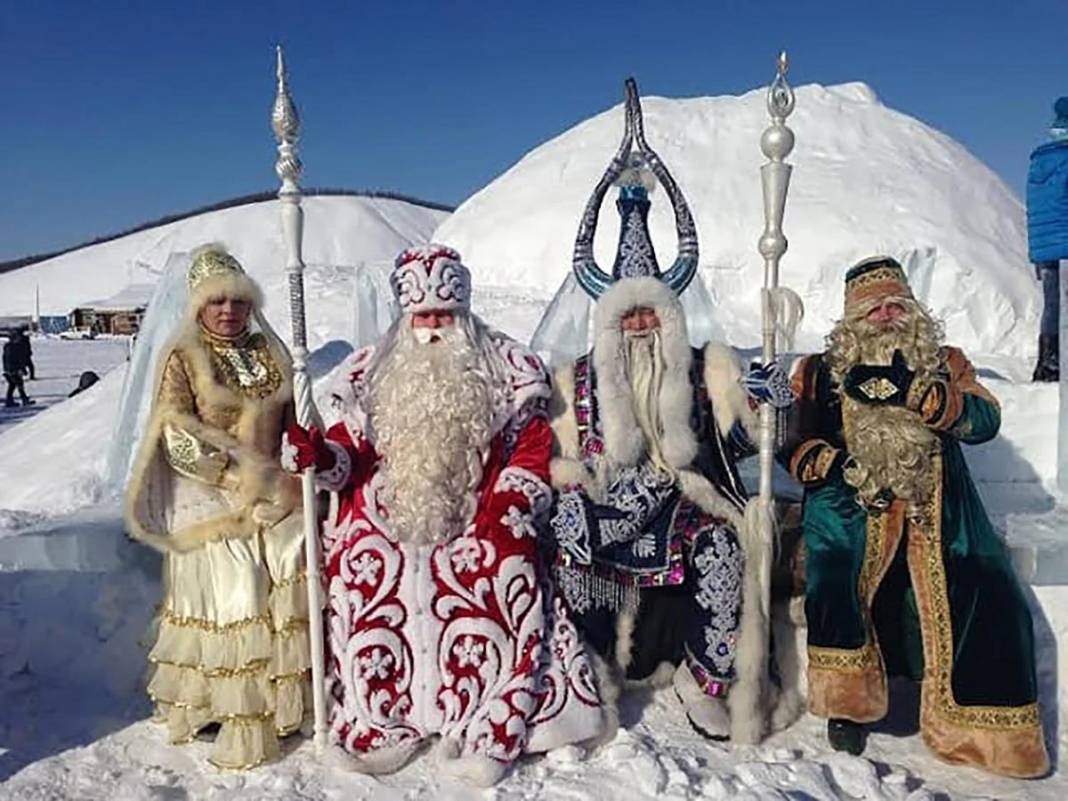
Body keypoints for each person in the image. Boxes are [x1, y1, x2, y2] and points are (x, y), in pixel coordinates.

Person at [283, 244, 604, 786]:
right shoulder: (369, 371)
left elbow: (530, 447)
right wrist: (320, 456)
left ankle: (483, 716)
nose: (433, 328)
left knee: (502, 566)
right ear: (406, 316)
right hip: (389, 511)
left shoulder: (506, 368)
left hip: (478, 505)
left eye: (444, 316)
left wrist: (511, 503)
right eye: (423, 316)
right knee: (361, 565)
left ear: (463, 312)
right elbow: (348, 457)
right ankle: (383, 716)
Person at [538, 79, 790, 747]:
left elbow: (739, 442)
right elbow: (559, 456)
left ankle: (707, 682)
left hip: (681, 498)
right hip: (605, 500)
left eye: (650, 313)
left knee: (721, 547)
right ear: (609, 321)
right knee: (565, 542)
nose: (640, 325)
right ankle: (586, 673)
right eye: (628, 316)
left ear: (670, 315)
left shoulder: (707, 367)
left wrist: (761, 405)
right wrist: (573, 491)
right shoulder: (576, 379)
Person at [782, 255, 1049, 778]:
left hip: (936, 506)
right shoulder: (816, 372)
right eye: (874, 308)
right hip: (851, 506)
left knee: (989, 583)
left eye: (895, 305)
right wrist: (821, 460)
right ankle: (847, 706)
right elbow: (791, 435)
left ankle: (981, 729)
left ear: (913, 309)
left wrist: (939, 402)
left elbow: (985, 419)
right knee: (836, 569)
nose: (886, 315)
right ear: (853, 318)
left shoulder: (946, 362)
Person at [125, 244, 310, 770]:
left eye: (238, 300)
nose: (229, 310)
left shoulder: (269, 350)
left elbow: (297, 419)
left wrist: (303, 456)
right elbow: (176, 438)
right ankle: (216, 703)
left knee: (298, 550)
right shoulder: (183, 355)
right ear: (198, 305)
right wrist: (238, 480)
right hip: (206, 491)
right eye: (216, 301)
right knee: (241, 574)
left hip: (272, 488)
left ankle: (287, 700)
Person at [1026, 96, 1068, 382]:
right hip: (1066, 244)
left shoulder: (1040, 162)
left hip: (1045, 249)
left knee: (1053, 305)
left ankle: (1048, 363)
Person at [3, 330, 34, 407]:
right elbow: (14, 359)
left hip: (11, 369)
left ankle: (10, 400)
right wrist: (18, 369)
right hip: (13, 369)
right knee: (18, 384)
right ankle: (23, 399)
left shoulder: (11, 346)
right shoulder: (12, 347)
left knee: (13, 385)